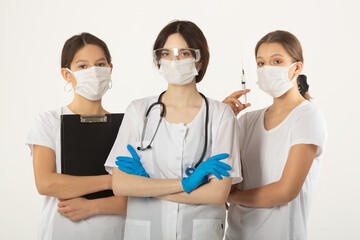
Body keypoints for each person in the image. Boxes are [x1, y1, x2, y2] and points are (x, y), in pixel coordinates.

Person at [104, 20, 242, 240]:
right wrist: (186, 184)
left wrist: (147, 188)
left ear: (199, 60)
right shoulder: (138, 111)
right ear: (158, 60)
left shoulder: (220, 114)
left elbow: (217, 193)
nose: (174, 60)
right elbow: (120, 185)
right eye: (166, 53)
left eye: (184, 53)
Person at [224, 30, 328, 240]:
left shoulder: (307, 116)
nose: (266, 69)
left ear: (296, 68)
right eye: (261, 63)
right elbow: (228, 183)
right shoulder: (246, 121)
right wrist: (222, 122)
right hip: (236, 234)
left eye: (277, 61)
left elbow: (285, 191)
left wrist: (233, 197)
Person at [26, 32, 127, 240]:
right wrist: (112, 182)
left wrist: (92, 206)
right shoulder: (49, 121)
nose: (94, 72)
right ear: (67, 74)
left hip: (115, 232)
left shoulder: (126, 125)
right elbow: (46, 183)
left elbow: (136, 197)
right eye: (83, 66)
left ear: (110, 69)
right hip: (63, 230)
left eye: (100, 64)